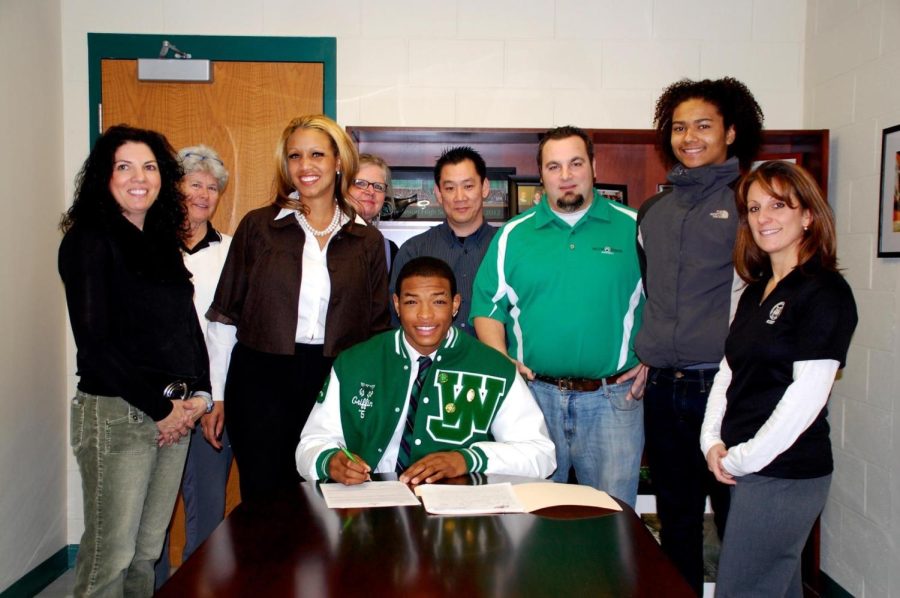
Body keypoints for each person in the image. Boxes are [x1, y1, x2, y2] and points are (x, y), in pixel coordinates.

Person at [59, 125, 211, 596]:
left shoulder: (162, 241)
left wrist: (200, 394)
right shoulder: (89, 240)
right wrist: (162, 409)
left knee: (146, 552)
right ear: (104, 177)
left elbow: (188, 325)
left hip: (173, 414)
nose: (138, 177)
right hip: (117, 417)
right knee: (111, 556)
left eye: (148, 166)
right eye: (123, 167)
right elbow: (96, 347)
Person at [205, 114, 391, 501]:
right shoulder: (258, 227)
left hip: (335, 381)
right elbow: (225, 316)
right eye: (295, 156)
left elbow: (377, 330)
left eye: (317, 155)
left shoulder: (367, 240)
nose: (305, 166)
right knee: (265, 499)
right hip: (260, 379)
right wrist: (217, 394)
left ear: (339, 162)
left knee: (328, 500)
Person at [700, 161, 857, 596]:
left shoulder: (825, 292)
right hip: (739, 466)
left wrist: (743, 459)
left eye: (777, 205)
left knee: (742, 589)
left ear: (808, 215)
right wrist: (711, 439)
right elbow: (728, 373)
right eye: (752, 208)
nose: (762, 218)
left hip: (783, 474)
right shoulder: (756, 289)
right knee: (775, 587)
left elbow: (804, 399)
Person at [634, 76, 764, 594]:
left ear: (731, 132)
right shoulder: (653, 211)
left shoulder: (751, 205)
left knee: (739, 520)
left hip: (725, 390)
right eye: (680, 127)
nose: (689, 136)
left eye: (703, 126)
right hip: (663, 389)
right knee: (677, 518)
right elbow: (654, 294)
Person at [471, 126, 645, 507]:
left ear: (593, 166)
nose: (565, 176)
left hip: (613, 402)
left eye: (575, 163)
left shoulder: (635, 228)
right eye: (554, 166)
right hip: (532, 399)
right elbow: (487, 305)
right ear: (542, 174)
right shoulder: (513, 236)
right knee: (530, 520)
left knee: (613, 521)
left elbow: (666, 302)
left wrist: (652, 357)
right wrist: (500, 356)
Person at [297, 256, 555, 484]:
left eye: (438, 302)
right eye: (411, 302)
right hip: (369, 509)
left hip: (460, 516)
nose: (425, 316)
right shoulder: (355, 363)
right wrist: (329, 461)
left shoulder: (493, 368)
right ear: (396, 305)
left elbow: (541, 455)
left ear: (455, 304)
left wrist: (468, 459)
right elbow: (310, 445)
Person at [155, 145, 233, 584]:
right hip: (155, 403)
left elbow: (231, 334)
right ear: (174, 189)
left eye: (212, 187)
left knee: (207, 510)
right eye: (193, 184)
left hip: (212, 403)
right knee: (153, 518)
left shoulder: (232, 252)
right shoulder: (149, 249)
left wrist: (214, 398)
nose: (204, 194)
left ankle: (201, 588)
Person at [389, 146, 497, 336]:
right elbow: (397, 320)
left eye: (468, 186)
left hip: (494, 361)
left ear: (485, 187)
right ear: (438, 194)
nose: (460, 197)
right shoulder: (413, 251)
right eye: (449, 188)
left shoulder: (509, 246)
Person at [347, 152, 398, 270]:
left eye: (378, 186)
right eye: (360, 183)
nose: (370, 191)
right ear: (343, 187)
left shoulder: (389, 251)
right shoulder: (322, 240)